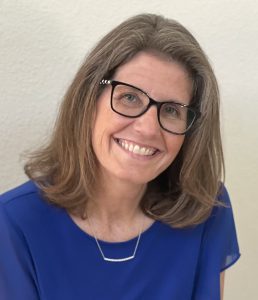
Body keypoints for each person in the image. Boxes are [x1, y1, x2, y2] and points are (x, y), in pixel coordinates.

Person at [0, 13, 240, 300]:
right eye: (129, 97)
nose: (148, 128)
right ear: (89, 101)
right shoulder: (14, 224)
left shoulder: (206, 208)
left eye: (172, 110)